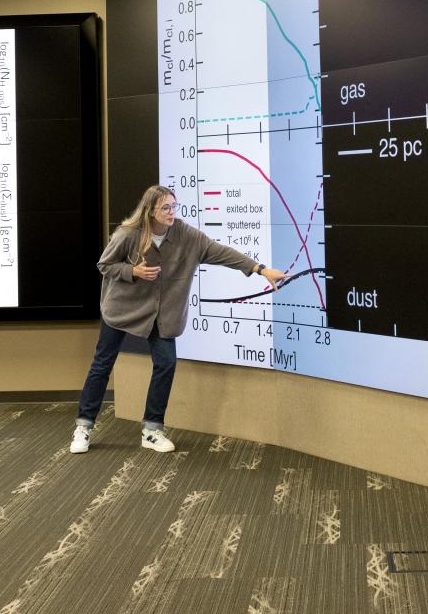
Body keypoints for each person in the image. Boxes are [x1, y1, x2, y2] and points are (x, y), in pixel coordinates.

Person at [70, 184, 288, 454]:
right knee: (102, 364)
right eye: (165, 208)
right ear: (150, 211)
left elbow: (220, 252)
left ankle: (152, 430)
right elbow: (104, 265)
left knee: (166, 364)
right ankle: (84, 426)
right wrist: (132, 271)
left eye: (174, 206)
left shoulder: (187, 235)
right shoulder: (129, 234)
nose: (172, 212)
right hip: (122, 310)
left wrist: (259, 269)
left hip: (162, 316)